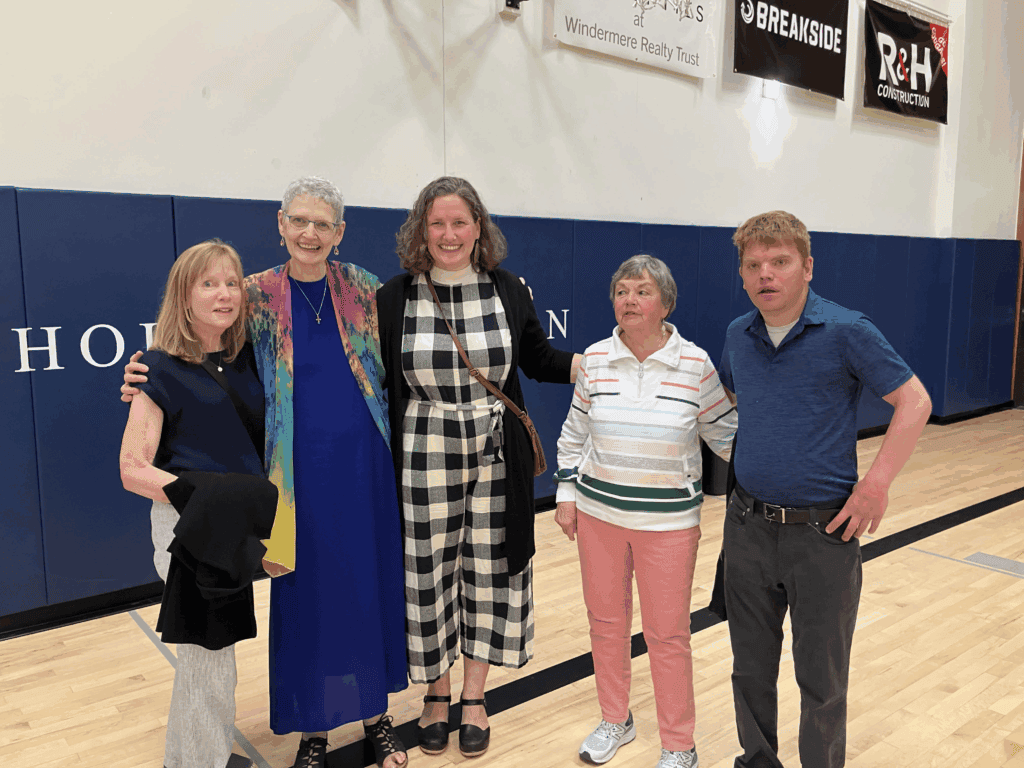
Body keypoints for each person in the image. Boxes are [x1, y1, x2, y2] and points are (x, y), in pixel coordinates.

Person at [122, 177, 408, 768]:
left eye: (322, 223)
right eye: (298, 221)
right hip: (294, 481)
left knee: (367, 590)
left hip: (365, 471)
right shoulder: (252, 296)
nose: (309, 233)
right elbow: (190, 349)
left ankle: (376, 717)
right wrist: (140, 372)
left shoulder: (364, 289)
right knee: (306, 601)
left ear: (340, 233)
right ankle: (314, 727)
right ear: (280, 224)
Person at [376, 176, 582, 758]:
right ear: (420, 230)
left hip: (495, 450)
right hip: (422, 450)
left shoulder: (508, 290)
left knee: (492, 569)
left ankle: (474, 697)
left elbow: (538, 358)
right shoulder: (395, 297)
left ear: (478, 228)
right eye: (436, 223)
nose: (448, 234)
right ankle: (435, 695)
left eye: (459, 222)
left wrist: (604, 364)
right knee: (428, 573)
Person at [718, 211, 932, 768]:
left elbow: (915, 402)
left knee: (822, 678)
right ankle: (758, 760)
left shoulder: (847, 330)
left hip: (823, 535)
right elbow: (738, 406)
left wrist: (875, 487)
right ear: (742, 275)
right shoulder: (737, 336)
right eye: (754, 265)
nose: (766, 274)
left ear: (807, 267)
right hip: (746, 528)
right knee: (750, 667)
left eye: (780, 262)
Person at [552, 255, 736, 768]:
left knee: (668, 635)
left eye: (642, 291)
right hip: (598, 517)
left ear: (666, 304)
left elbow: (727, 436)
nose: (629, 301)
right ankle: (616, 719)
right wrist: (567, 494)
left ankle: (680, 744)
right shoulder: (593, 359)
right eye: (622, 291)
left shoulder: (695, 365)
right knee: (606, 624)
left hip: (668, 527)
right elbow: (573, 437)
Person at [119, 239, 272, 768]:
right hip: (190, 528)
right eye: (208, 283)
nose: (224, 293)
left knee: (209, 656)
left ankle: (197, 756)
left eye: (232, 282)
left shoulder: (250, 357)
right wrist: (199, 496)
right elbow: (132, 468)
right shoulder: (157, 368)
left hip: (234, 524)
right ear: (184, 296)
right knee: (209, 655)